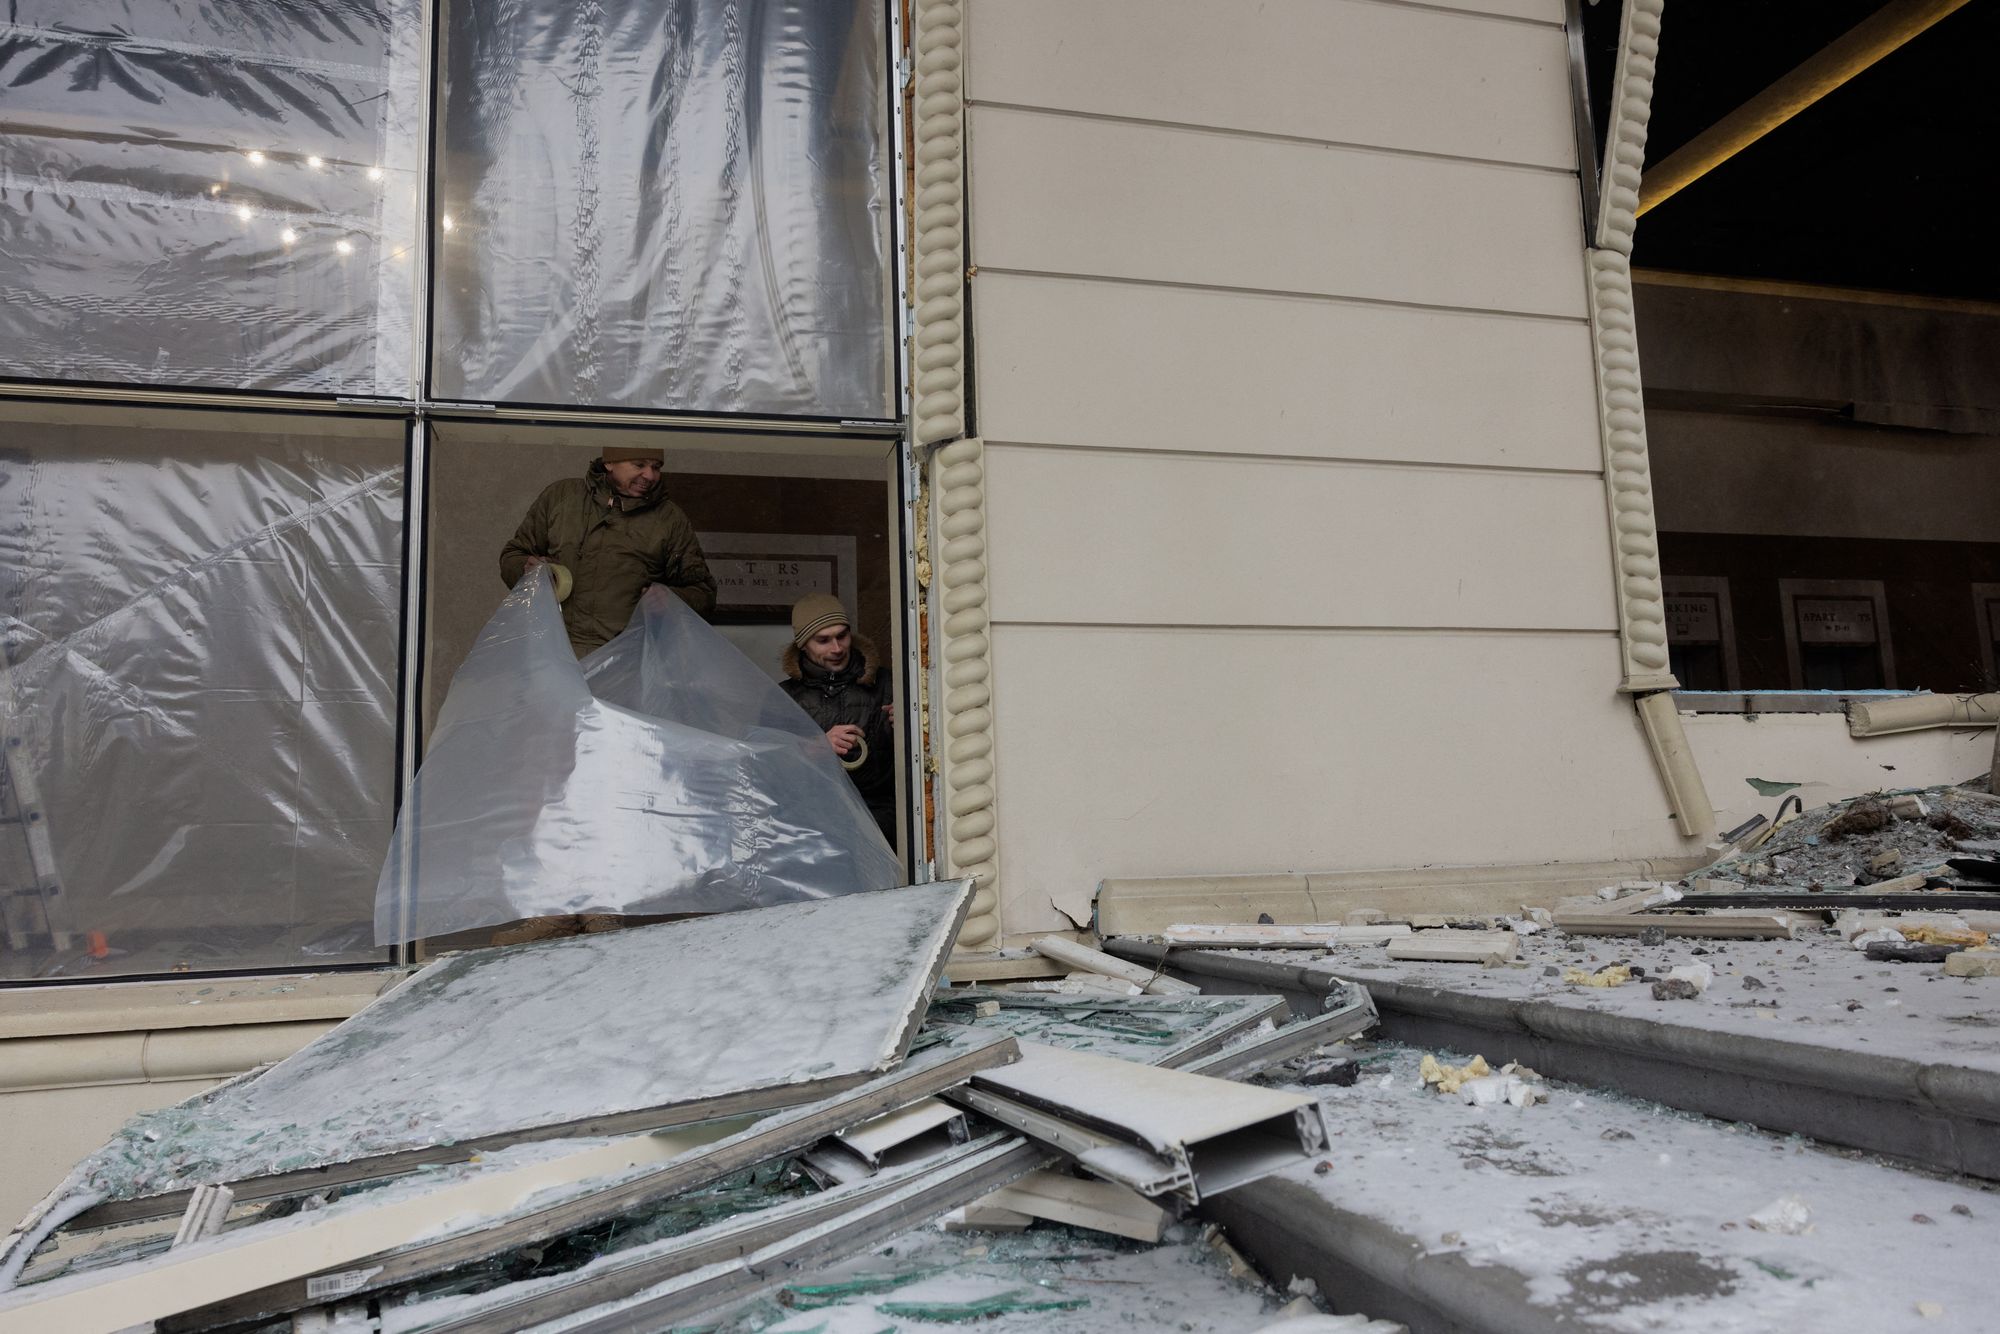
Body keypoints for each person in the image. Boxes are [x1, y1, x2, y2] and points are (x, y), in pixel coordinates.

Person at [500, 445, 718, 657]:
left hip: (625, 662)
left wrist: (670, 599)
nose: (650, 475)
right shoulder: (561, 497)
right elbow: (513, 555)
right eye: (639, 464)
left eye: (656, 467)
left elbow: (703, 593)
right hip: (551, 655)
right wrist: (526, 570)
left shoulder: (669, 519)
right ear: (609, 463)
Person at [781, 594, 896, 846]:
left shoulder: (889, 683)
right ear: (802, 644)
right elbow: (766, 764)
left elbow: (921, 766)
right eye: (823, 640)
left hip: (881, 826)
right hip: (811, 829)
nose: (837, 648)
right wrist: (816, 746)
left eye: (842, 635)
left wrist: (909, 729)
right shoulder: (784, 697)